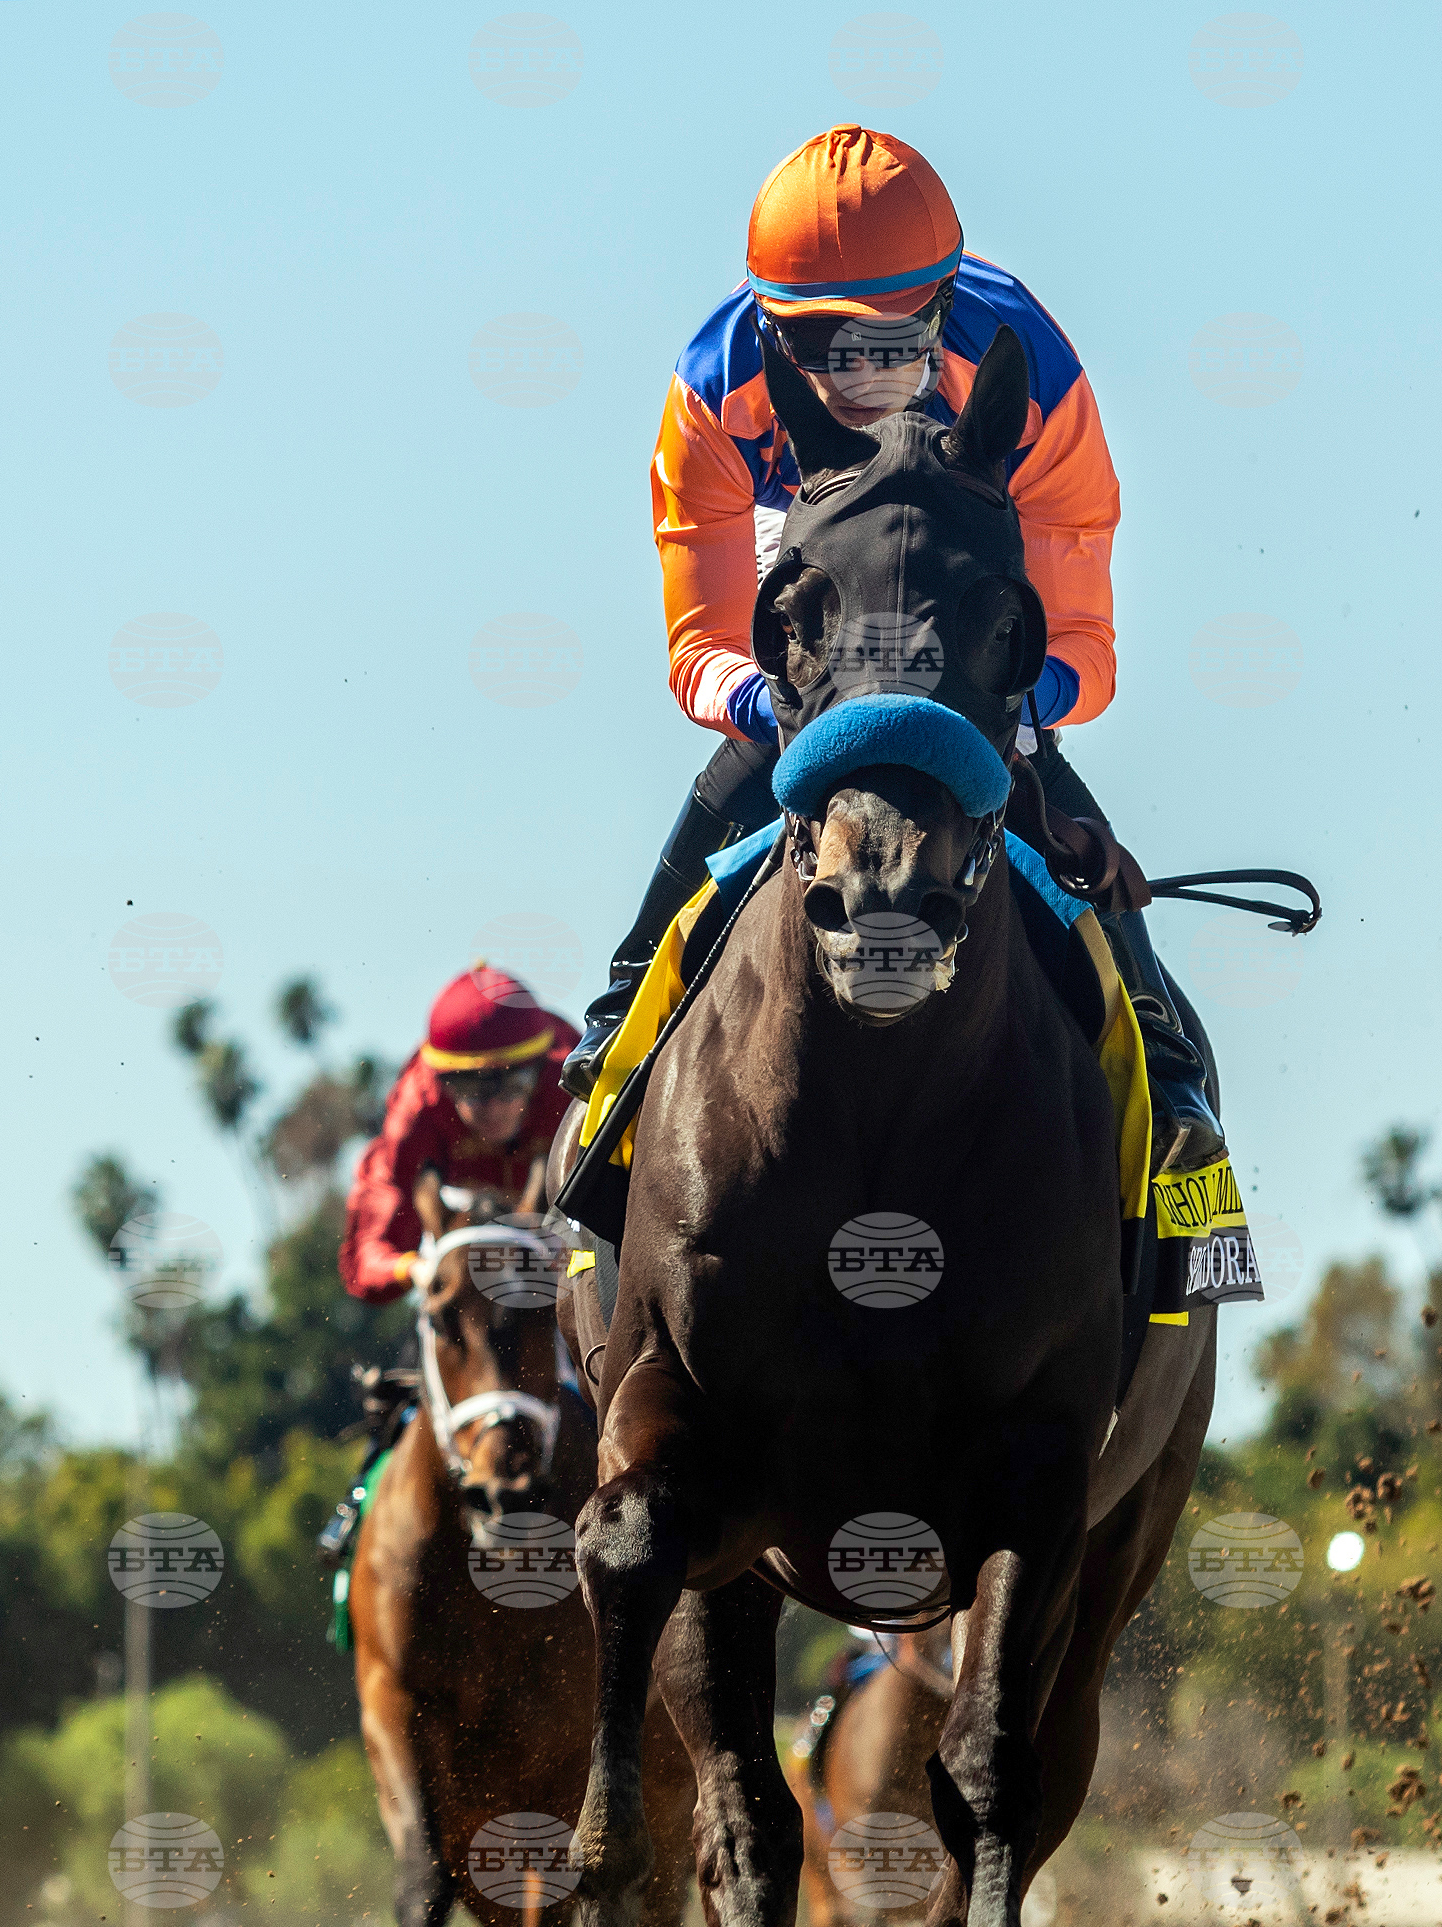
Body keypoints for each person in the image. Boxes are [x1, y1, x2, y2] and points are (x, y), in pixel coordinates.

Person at [565, 124, 1207, 1135]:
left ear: (944, 306)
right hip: (803, 527)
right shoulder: (712, 391)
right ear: (768, 327)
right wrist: (778, 703)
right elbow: (699, 648)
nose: (859, 374)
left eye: (895, 341)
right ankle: (622, 1012)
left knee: (1031, 749)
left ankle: (1164, 1066)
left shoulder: (1034, 377)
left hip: (966, 557)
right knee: (754, 753)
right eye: (820, 345)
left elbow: (1083, 642)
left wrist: (1006, 702)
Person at [338, 964, 579, 1303]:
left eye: (513, 1085)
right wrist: (413, 1269)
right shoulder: (417, 1108)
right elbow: (365, 1257)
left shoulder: (574, 1085)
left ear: (541, 1069)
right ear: (441, 1082)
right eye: (471, 1089)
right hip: (458, 1244)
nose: (493, 1109)